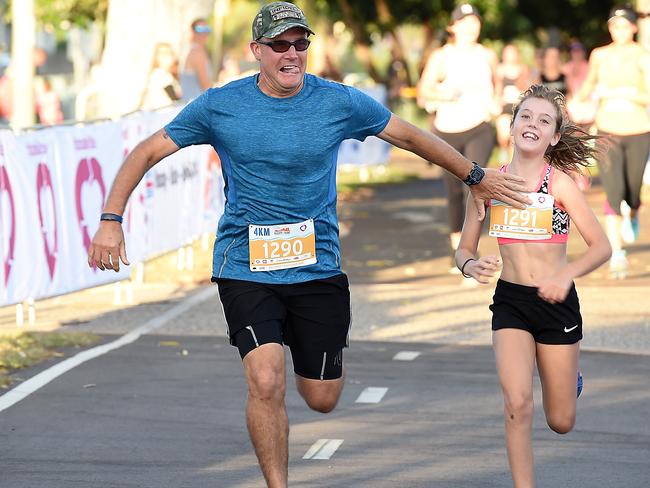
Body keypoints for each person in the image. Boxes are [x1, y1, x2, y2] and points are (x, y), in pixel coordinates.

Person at [87, 3, 529, 487]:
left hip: (317, 268)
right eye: (280, 44)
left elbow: (409, 135)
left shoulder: (337, 102)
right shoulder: (221, 105)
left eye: (300, 43)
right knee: (266, 378)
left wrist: (475, 176)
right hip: (245, 265)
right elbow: (147, 150)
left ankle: (302, 345)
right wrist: (111, 219)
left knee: (322, 397)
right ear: (258, 51)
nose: (292, 53)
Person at [455, 84, 611, 488]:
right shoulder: (488, 184)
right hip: (511, 302)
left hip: (557, 304)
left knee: (560, 421)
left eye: (544, 121)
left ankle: (569, 376)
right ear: (511, 125)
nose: (533, 125)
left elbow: (601, 247)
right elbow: (463, 250)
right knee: (517, 404)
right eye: (526, 116)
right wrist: (471, 264)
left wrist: (565, 274)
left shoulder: (557, 185)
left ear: (554, 137)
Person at [417, 3, 499, 273]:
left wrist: (497, 107)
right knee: (453, 190)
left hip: (479, 126)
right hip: (447, 129)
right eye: (464, 22)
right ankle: (458, 249)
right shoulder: (442, 57)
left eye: (475, 21)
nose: (471, 27)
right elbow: (422, 93)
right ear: (453, 27)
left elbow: (497, 91)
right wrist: (445, 94)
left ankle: (471, 251)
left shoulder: (487, 55)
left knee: (474, 185)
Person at [578, 5, 650, 278]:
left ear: (633, 27)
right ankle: (616, 253)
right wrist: (578, 98)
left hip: (638, 130)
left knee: (631, 192)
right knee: (612, 190)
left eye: (623, 25)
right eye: (613, 26)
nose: (618, 31)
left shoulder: (643, 57)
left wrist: (627, 92)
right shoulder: (599, 55)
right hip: (607, 130)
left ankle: (632, 212)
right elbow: (588, 86)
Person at [495, 43, 531, 161]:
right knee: (504, 135)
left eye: (512, 53)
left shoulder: (523, 69)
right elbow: (498, 89)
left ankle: (511, 164)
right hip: (505, 107)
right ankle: (503, 148)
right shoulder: (500, 70)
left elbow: (525, 88)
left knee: (514, 138)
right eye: (507, 53)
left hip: (518, 106)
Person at [140, 42, 181, 110]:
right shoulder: (160, 75)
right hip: (163, 115)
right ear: (157, 57)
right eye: (164, 53)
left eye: (170, 52)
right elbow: (175, 100)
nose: (168, 56)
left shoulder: (161, 74)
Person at [180, 18, 214, 101]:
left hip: (190, 104)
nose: (204, 33)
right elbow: (206, 86)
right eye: (200, 30)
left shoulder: (189, 50)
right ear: (192, 32)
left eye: (206, 29)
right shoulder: (197, 52)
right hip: (197, 106)